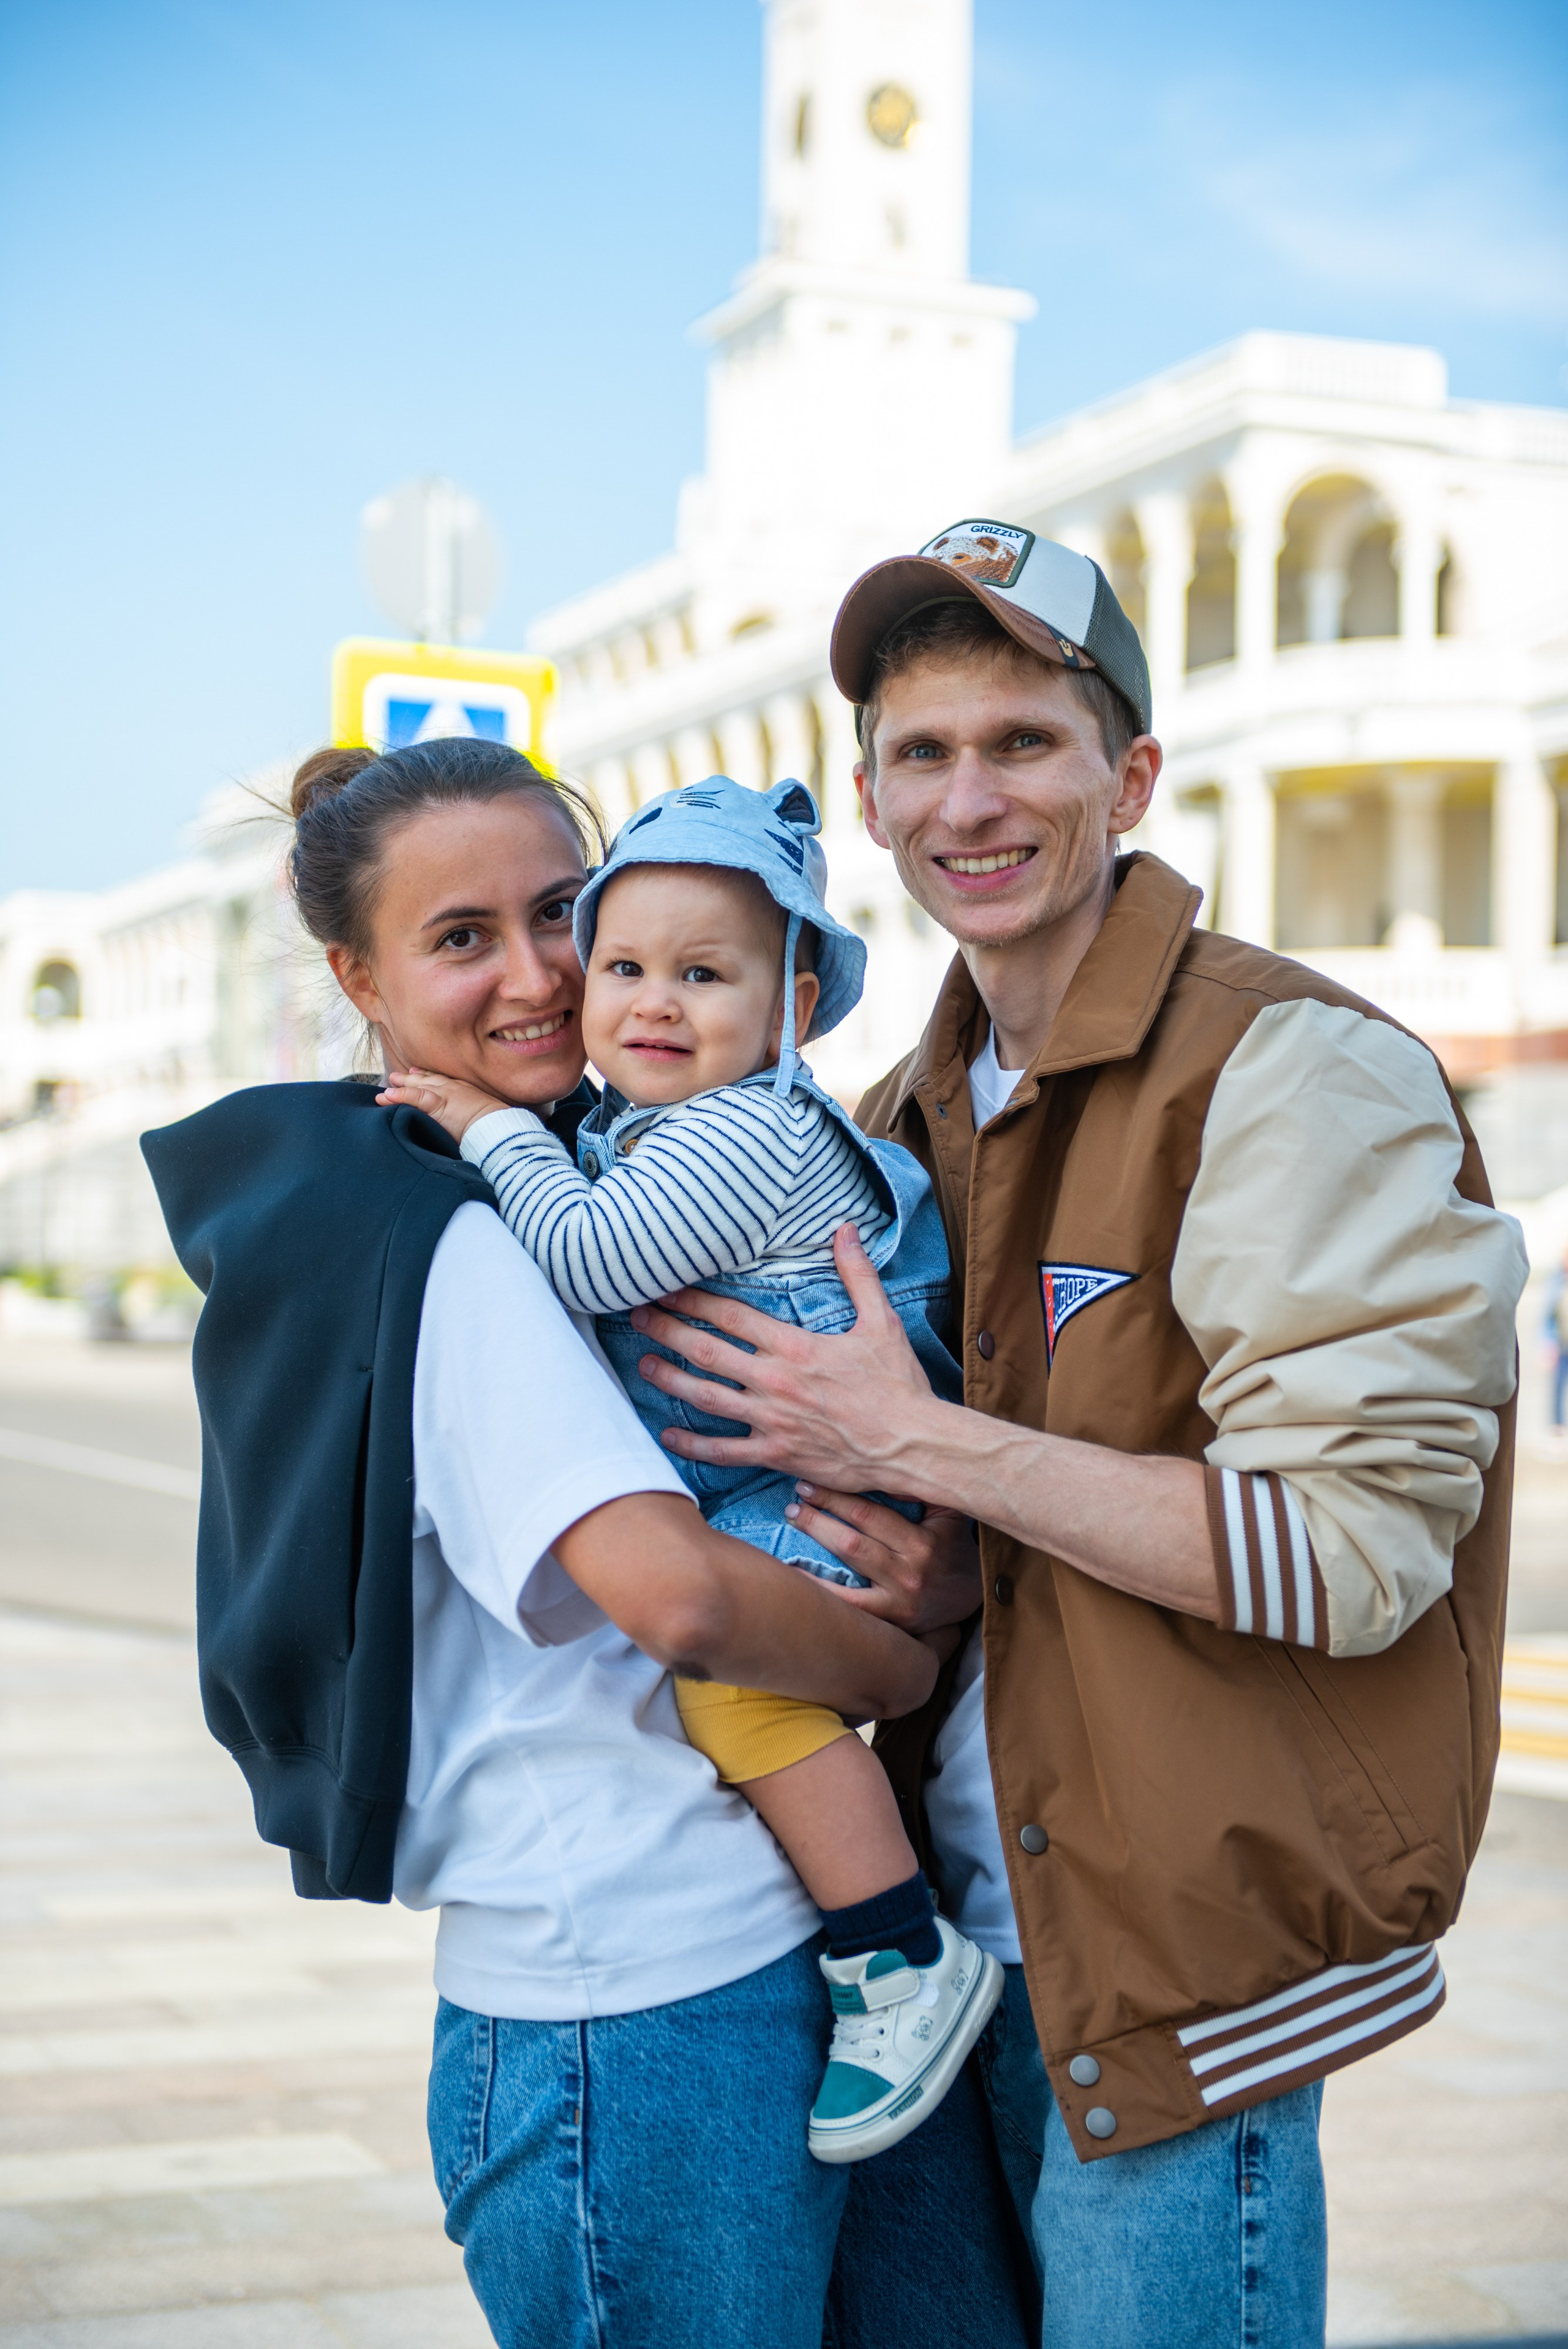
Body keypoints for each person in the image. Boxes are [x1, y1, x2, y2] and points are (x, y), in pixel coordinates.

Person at [622, 520, 1531, 2347]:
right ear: (870, 807)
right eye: (923, 753)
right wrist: (945, 1569)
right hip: (951, 1944)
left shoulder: (1291, 1063)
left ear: (1127, 776)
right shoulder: (893, 1109)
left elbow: (1352, 1553)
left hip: (1181, 1966)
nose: (973, 796)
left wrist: (927, 1446)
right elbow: (954, 1564)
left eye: (1024, 742)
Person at [141, 737, 1033, 2349]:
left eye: (564, 910)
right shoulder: (457, 1234)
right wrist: (910, 1642)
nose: (549, 976)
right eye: (461, 938)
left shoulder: (633, 1153)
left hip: (778, 1962)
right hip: (625, 1996)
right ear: (358, 975)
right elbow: (680, 1596)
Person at [377, 774, 1002, 2165]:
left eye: (703, 975)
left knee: (744, 1694)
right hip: (780, 1475)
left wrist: (482, 1128)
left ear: (789, 1014)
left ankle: (895, 1956)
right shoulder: (665, 1120)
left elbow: (593, 1255)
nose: (652, 1002)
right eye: (624, 967)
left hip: (816, 1491)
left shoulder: (742, 1130)